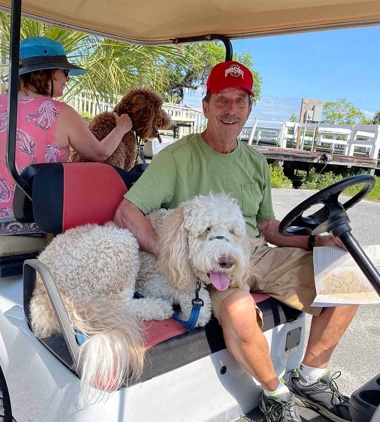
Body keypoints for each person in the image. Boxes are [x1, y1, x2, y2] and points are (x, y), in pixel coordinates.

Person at [113, 60, 355, 422]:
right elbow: (126, 212)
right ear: (206, 106)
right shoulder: (177, 157)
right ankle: (276, 395)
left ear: (249, 108)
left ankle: (310, 377)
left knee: (350, 277)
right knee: (240, 310)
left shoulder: (256, 161)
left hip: (254, 252)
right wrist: (172, 255)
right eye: (222, 100)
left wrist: (314, 243)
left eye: (240, 101)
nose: (231, 110)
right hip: (206, 263)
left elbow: (269, 226)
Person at [0, 36, 132, 308]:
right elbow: (100, 154)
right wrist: (122, 128)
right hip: (27, 219)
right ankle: (64, 301)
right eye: (63, 72)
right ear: (44, 71)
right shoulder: (59, 112)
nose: (67, 78)